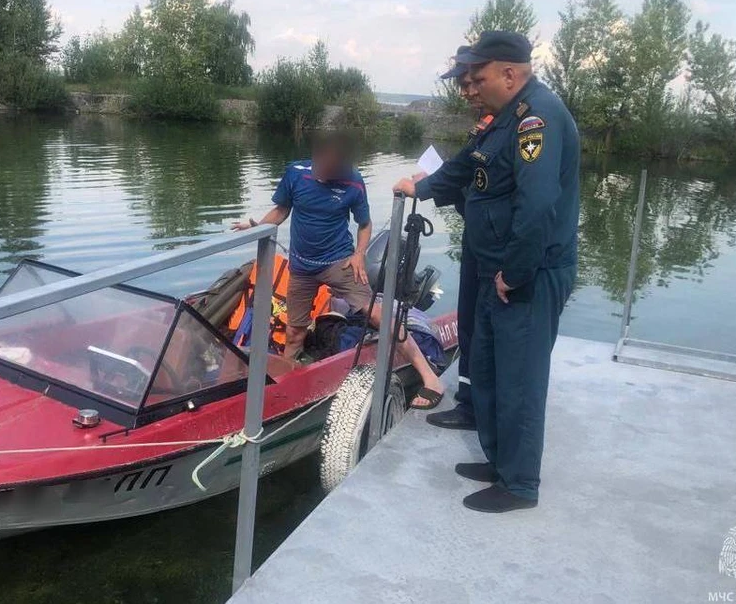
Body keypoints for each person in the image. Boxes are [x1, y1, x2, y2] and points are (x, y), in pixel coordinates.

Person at [394, 31, 580, 513]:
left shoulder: (537, 119)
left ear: (509, 74)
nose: (470, 87)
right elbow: (465, 170)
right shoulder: (504, 121)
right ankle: (498, 462)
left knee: (519, 378)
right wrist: (423, 188)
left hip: (526, 275)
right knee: (495, 371)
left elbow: (537, 206)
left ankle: (519, 485)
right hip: (498, 268)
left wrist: (513, 274)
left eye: (478, 78)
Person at [233, 133, 445, 408]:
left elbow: (365, 224)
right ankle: (282, 395)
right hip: (302, 268)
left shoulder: (354, 182)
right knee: (295, 333)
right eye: (321, 164)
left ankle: (429, 376)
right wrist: (258, 226)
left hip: (339, 264)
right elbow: (282, 210)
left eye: (332, 169)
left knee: (379, 315)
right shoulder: (295, 174)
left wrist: (359, 254)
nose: (324, 172)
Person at [420, 45, 494, 432]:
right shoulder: (484, 126)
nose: (466, 91)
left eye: (472, 82)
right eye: (463, 84)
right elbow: (464, 178)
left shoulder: (507, 127)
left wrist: (432, 185)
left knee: (483, 328)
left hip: (492, 248)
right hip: (475, 239)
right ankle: (468, 403)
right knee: (468, 323)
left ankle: (478, 408)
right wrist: (431, 184)